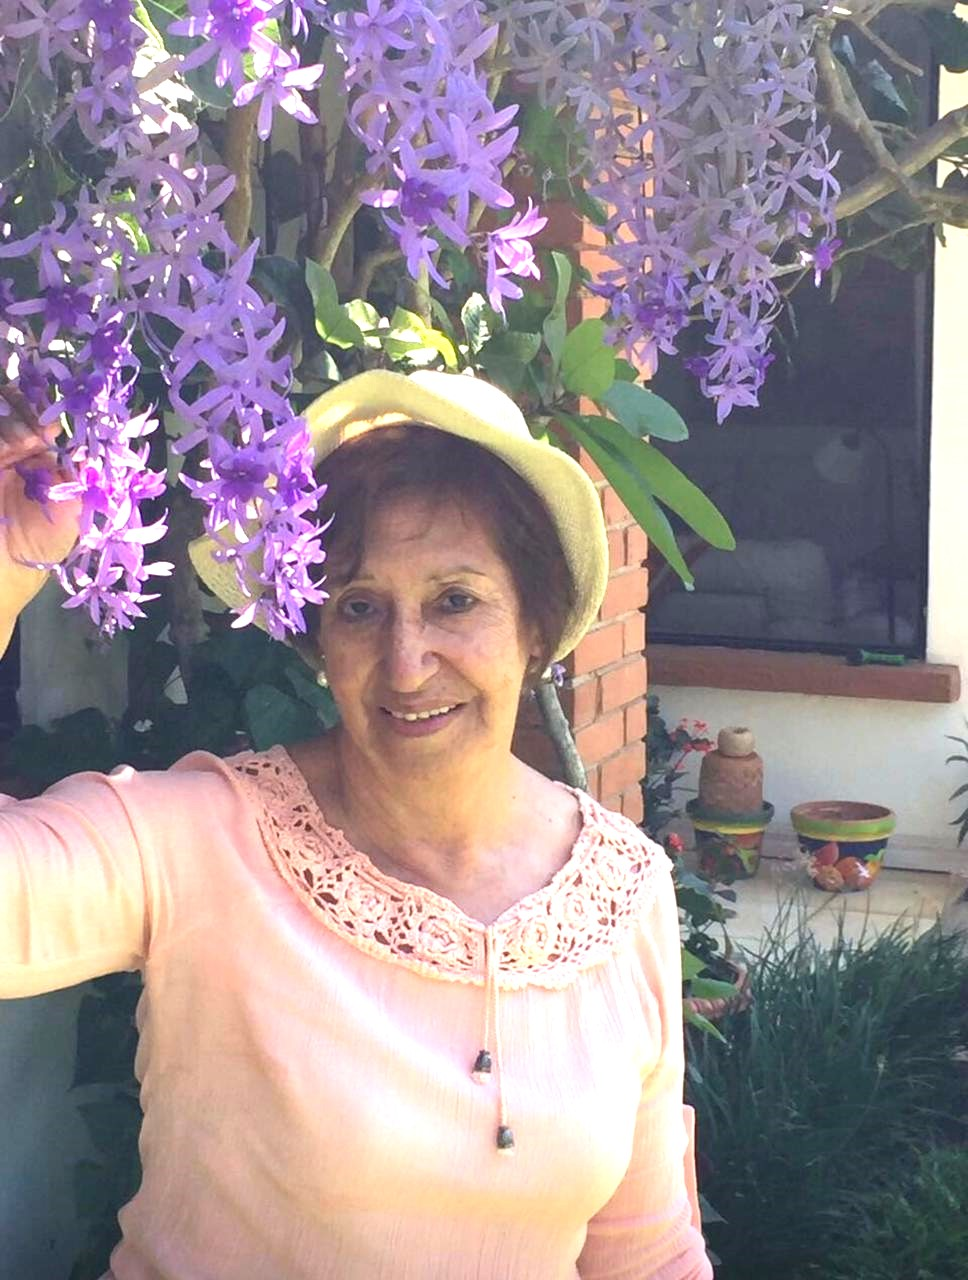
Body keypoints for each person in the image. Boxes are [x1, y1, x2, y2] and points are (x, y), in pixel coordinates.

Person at [0, 369, 713, 1280]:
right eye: (360, 608)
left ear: (535, 628)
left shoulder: (623, 892)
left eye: (455, 600)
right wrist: (6, 567)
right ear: (317, 640)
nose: (407, 665)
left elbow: (647, 1253)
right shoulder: (199, 843)